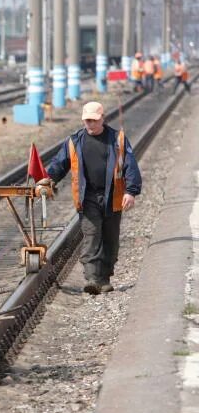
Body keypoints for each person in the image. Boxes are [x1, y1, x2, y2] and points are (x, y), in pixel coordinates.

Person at [42, 101, 142, 295]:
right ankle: (92, 278)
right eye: (87, 120)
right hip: (87, 197)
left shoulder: (117, 139)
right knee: (92, 234)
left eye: (94, 121)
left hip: (113, 196)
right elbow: (59, 165)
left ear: (102, 119)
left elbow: (131, 166)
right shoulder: (74, 141)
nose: (90, 124)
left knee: (110, 239)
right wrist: (47, 180)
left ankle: (104, 278)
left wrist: (131, 191)